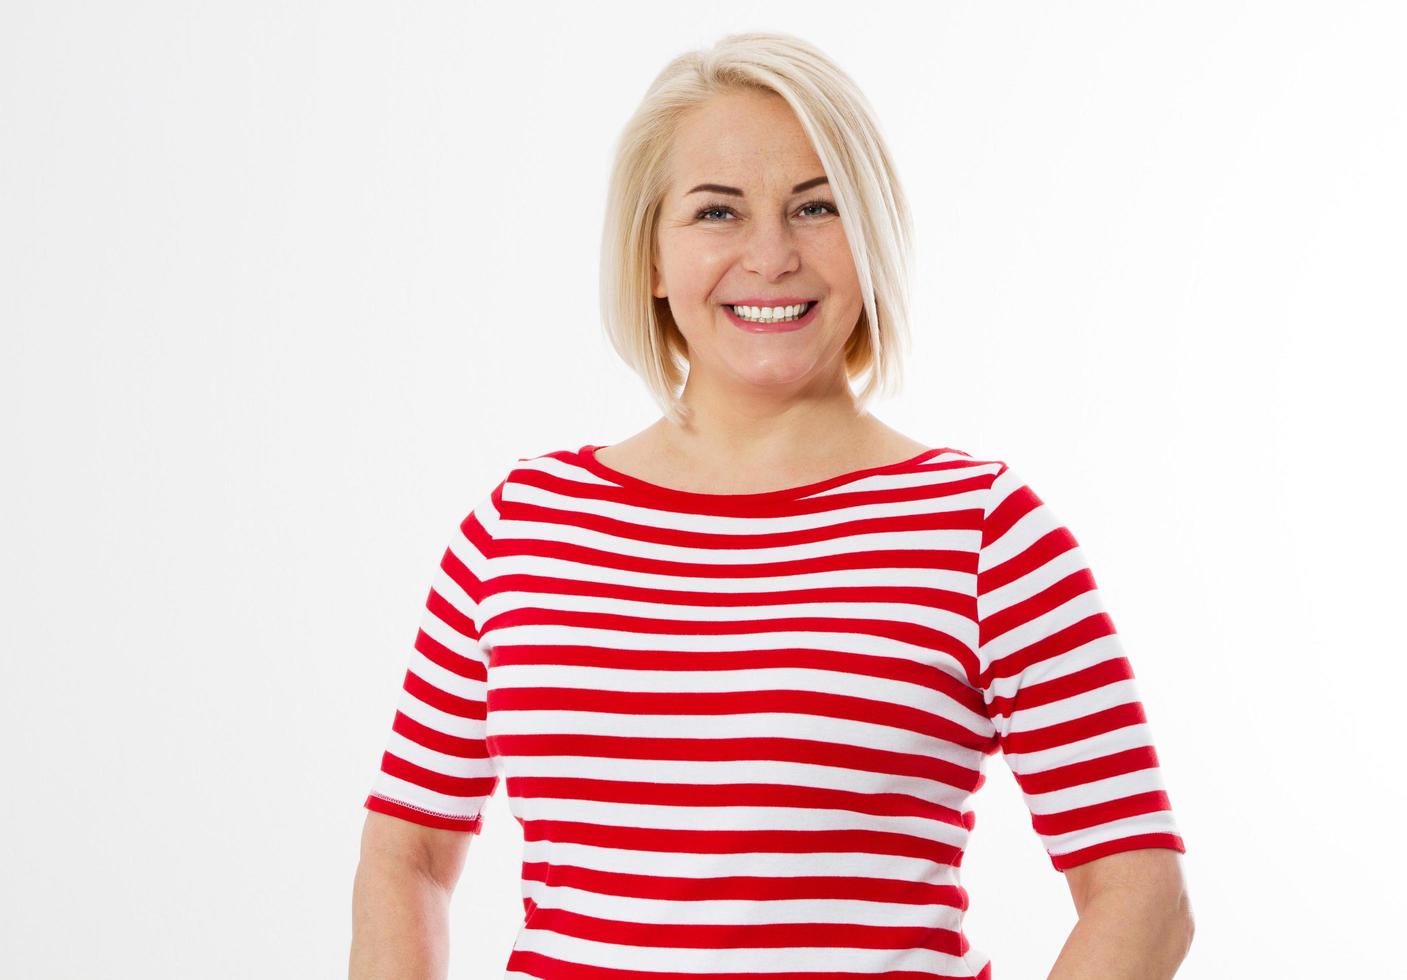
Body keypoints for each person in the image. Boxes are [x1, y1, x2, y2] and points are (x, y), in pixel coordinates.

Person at [349, 30, 1193, 980]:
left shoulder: (983, 532)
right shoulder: (520, 528)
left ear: (870, 239)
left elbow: (1144, 897)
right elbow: (407, 855)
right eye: (717, 211)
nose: (771, 255)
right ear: (652, 259)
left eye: (816, 206)